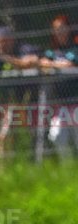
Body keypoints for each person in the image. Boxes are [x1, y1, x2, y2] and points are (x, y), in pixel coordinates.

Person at [0, 25, 41, 159]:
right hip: (15, 104)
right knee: (4, 136)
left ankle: (36, 165)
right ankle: (3, 172)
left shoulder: (24, 49)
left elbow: (25, 64)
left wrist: (3, 55)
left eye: (4, 40)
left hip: (36, 102)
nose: (1, 44)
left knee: (36, 139)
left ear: (12, 39)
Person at [39, 15, 78, 159]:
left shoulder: (75, 47)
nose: (60, 32)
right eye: (56, 29)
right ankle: (68, 170)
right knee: (56, 136)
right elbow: (42, 62)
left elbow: (70, 64)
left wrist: (53, 65)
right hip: (61, 105)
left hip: (76, 102)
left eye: (62, 28)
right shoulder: (52, 51)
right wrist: (53, 64)